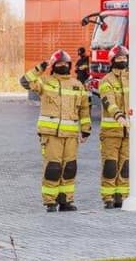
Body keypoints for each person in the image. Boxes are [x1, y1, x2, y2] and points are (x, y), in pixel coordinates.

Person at [19, 50, 91, 212]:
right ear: (53, 66)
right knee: (53, 168)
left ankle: (66, 200)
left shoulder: (77, 85)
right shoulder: (45, 81)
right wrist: (40, 68)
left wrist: (86, 129)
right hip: (51, 136)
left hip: (71, 135)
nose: (62, 66)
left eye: (65, 63)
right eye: (59, 64)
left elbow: (85, 108)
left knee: (69, 168)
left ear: (70, 65)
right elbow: (24, 82)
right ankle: (50, 202)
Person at [97, 45, 131, 209]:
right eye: (119, 59)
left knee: (125, 166)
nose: (122, 61)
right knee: (110, 165)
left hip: (129, 133)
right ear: (112, 61)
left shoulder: (132, 78)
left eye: (124, 58)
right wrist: (118, 116)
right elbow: (108, 101)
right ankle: (108, 197)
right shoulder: (106, 81)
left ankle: (122, 196)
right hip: (111, 131)